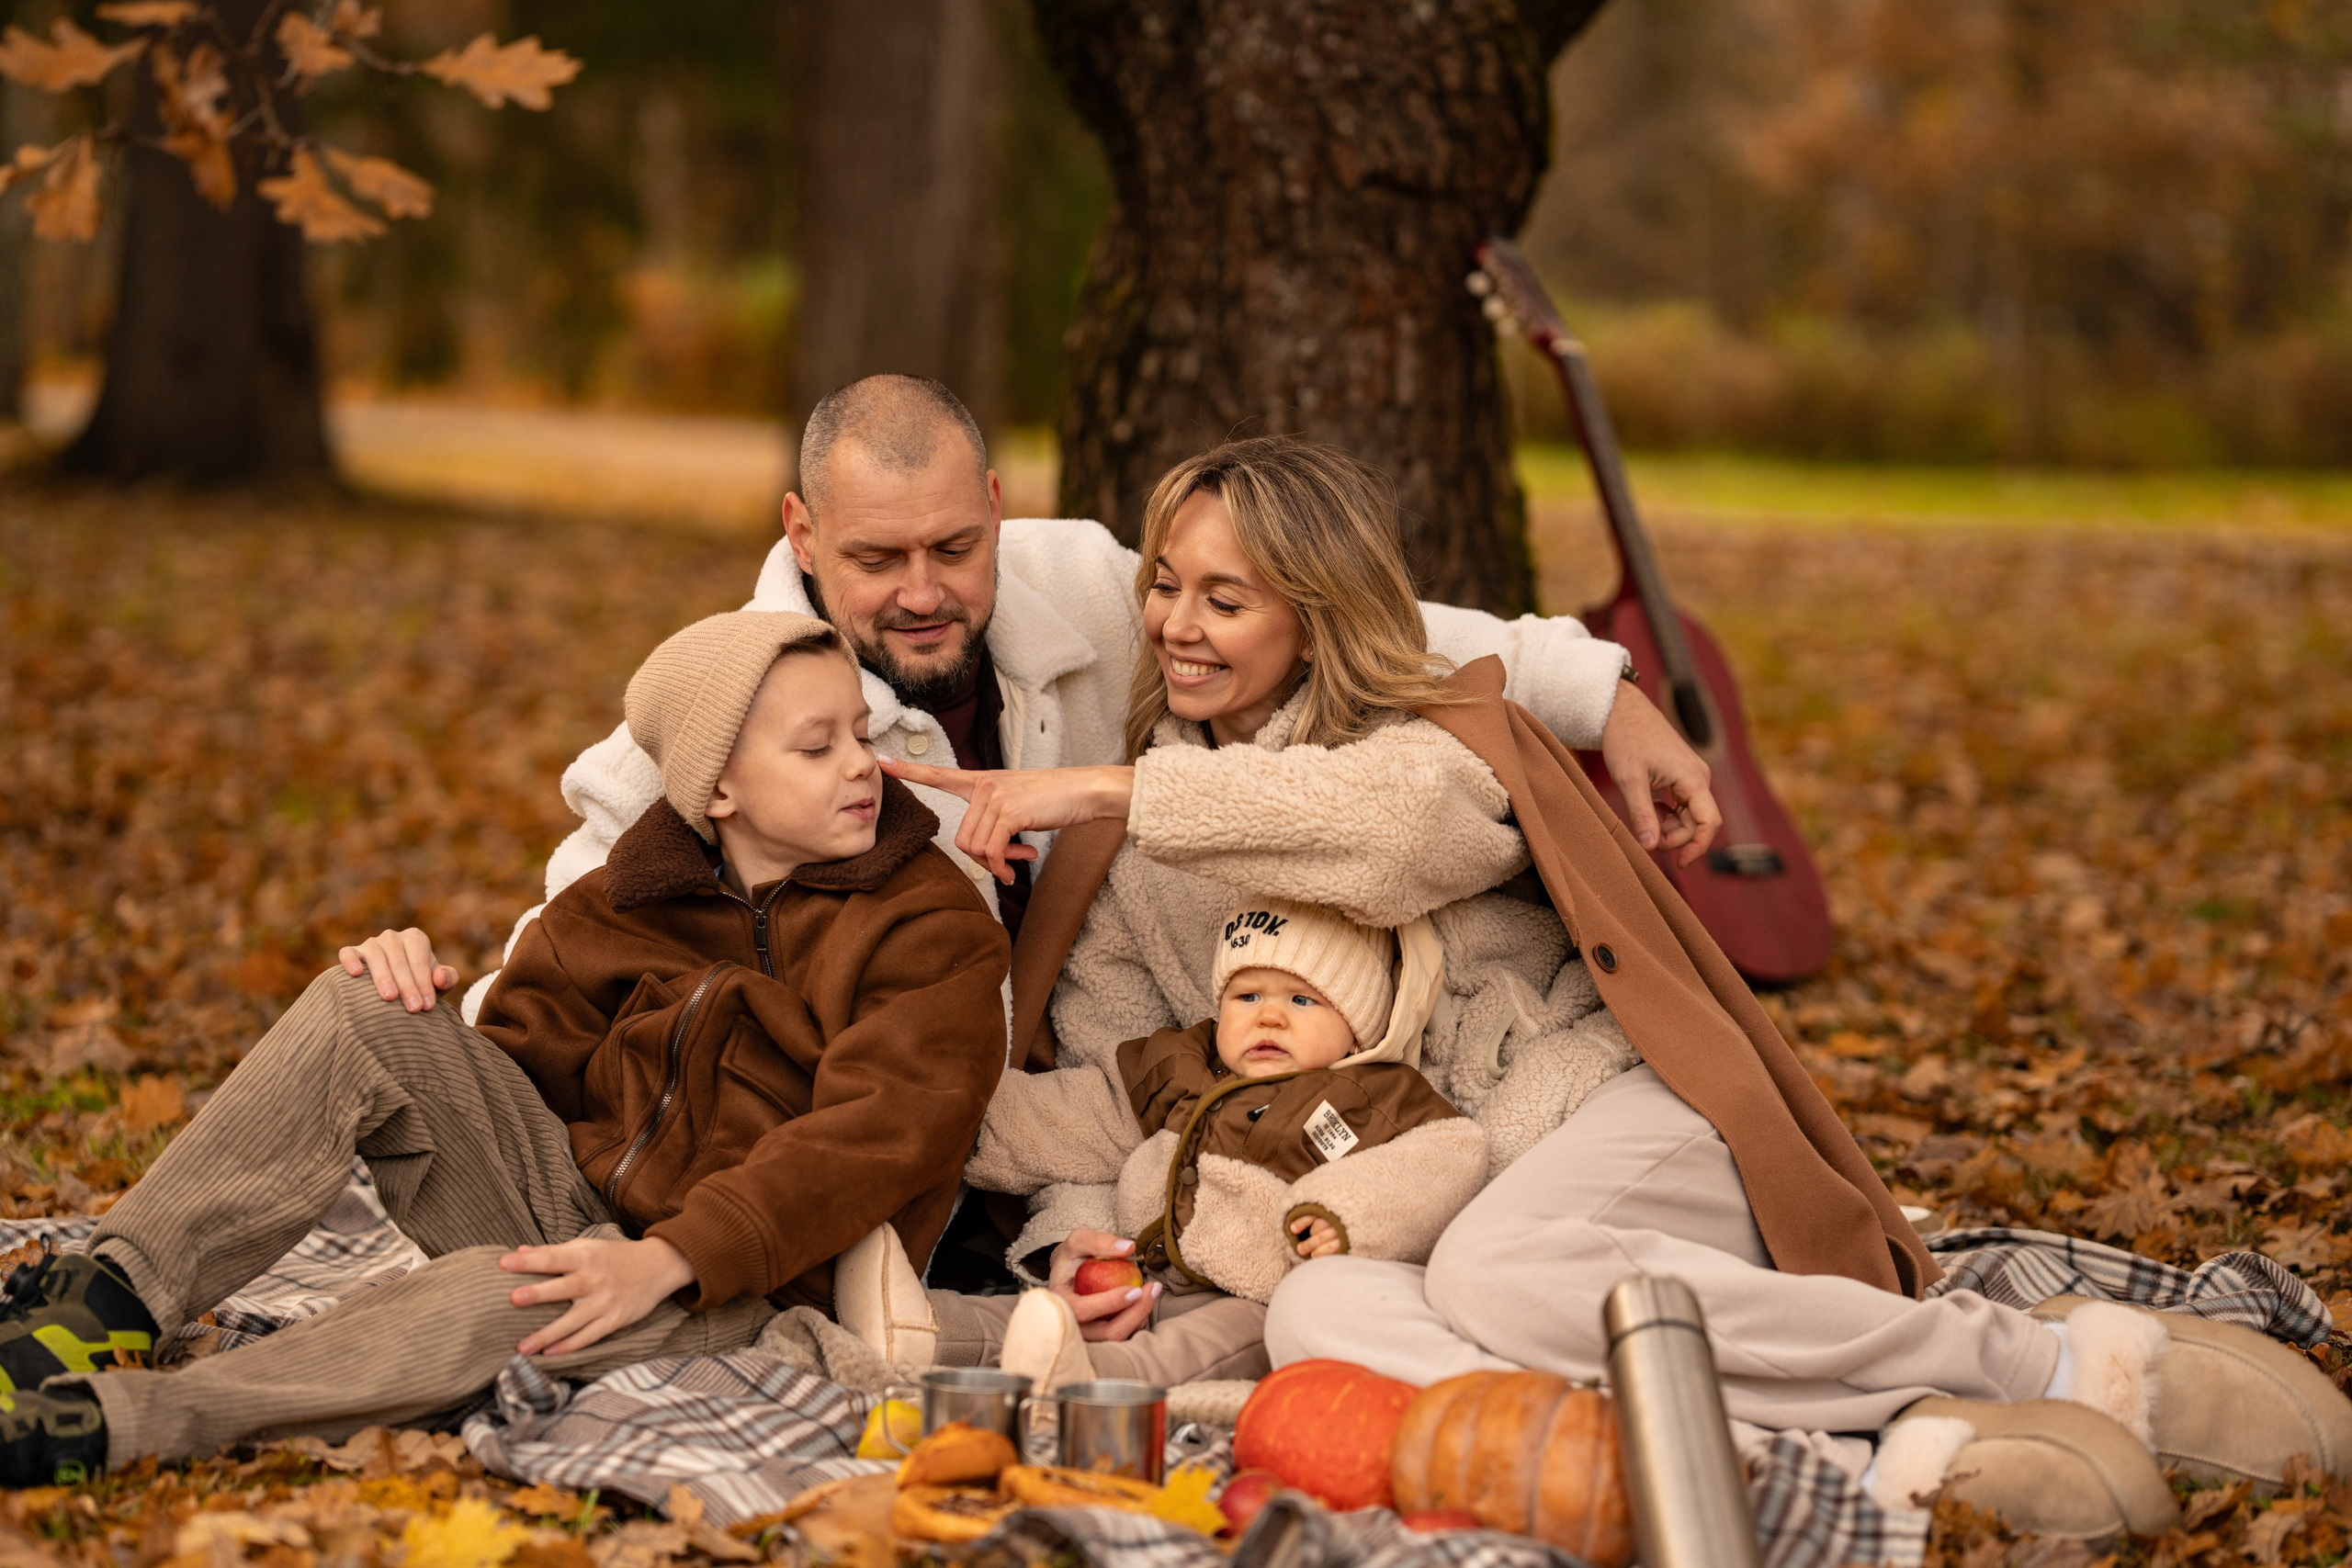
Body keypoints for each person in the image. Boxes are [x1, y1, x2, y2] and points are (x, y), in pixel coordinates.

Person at [891, 434, 2352, 1534]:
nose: (1177, 623)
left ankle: (2027, 1355)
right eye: (1165, 584)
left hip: (1607, 1119)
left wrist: (1103, 783)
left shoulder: (1433, 738)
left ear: (1317, 614)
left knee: (1504, 1272)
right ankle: (1802, 1458)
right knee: (1317, 1324)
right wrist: (1091, 1254)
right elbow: (1105, 1076)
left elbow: (1387, 835)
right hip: (1420, 1198)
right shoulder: (1129, 870)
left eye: (1228, 595)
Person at [338, 373, 1719, 1025]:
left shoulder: (1087, 579)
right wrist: (449, 998)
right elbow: (587, 887)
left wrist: (1608, 695)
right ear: (804, 532)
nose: (927, 589)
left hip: (1110, 1026)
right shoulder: (736, 680)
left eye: (956, 544)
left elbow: (1365, 619)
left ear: (998, 505)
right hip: (892, 1078)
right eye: (876, 560)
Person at [0, 613, 1010, 1484]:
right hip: (575, 1210)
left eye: (860, 736)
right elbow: (513, 1075)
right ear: (717, 791)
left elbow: (880, 1135)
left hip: (746, 1284)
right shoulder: (627, 901)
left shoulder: (928, 923)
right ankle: (110, 1295)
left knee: (505, 1297)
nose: (858, 768)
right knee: (365, 1004)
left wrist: (666, 1258)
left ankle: (129, 1423)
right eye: (816, 745)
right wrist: (417, 1005)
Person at [927, 897, 1488, 1391]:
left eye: (1302, 1001)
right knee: (1043, 1314)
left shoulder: (1368, 1095)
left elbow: (1439, 1161)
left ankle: (1094, 1384)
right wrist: (948, 1115)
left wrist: (1345, 1216)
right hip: (1145, 1271)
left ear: (1358, 1026)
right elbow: (1080, 1113)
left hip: (1251, 1298)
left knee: (1201, 1347)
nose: (1269, 1015)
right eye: (1246, 996)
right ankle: (931, 1331)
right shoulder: (1182, 1064)